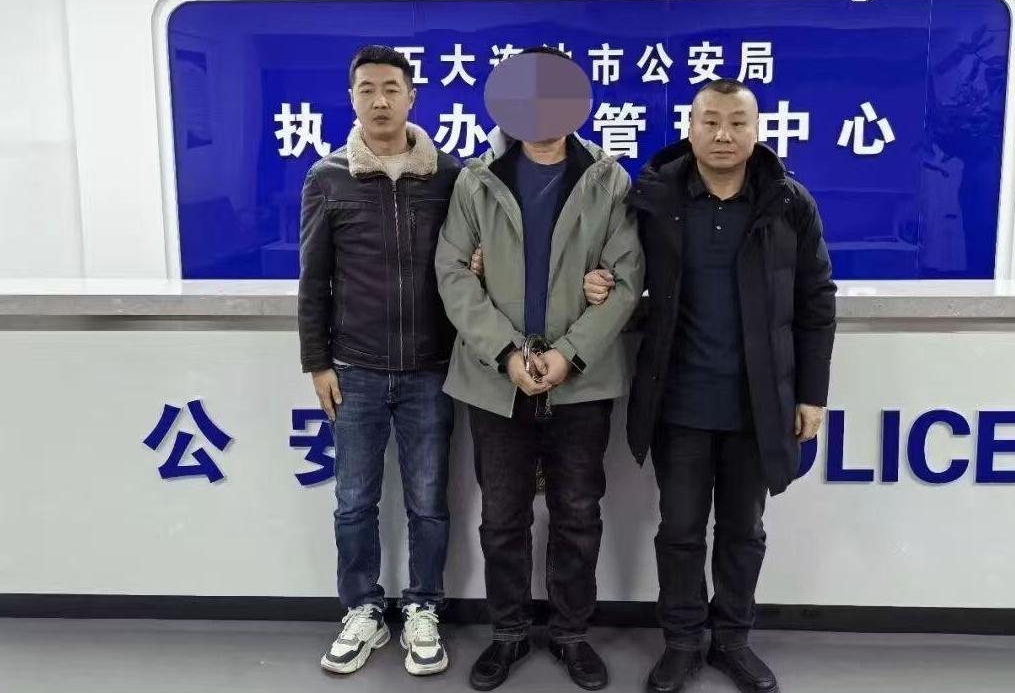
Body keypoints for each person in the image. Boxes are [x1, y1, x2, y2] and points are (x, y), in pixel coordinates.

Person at [591, 78, 836, 693]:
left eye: (737, 122)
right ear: (691, 127)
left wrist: (812, 393)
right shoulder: (654, 197)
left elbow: (816, 300)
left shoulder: (787, 202)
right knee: (679, 530)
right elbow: (610, 264)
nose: (724, 135)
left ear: (756, 130)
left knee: (743, 531)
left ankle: (732, 640)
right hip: (679, 400)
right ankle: (681, 642)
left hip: (759, 401)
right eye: (711, 122)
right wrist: (597, 281)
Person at [435, 46, 644, 692]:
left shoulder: (608, 180)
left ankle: (571, 633)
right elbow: (452, 274)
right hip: (492, 380)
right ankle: (507, 633)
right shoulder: (475, 181)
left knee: (577, 512)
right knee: (502, 517)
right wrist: (505, 353)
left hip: (581, 381)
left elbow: (627, 277)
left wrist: (567, 355)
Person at [297, 44, 460, 677]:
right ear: (352, 98)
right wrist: (318, 363)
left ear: (412, 96)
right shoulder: (328, 178)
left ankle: (424, 607)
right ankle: (362, 609)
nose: (380, 100)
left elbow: (469, 262)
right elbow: (313, 280)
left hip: (431, 369)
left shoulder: (447, 176)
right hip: (355, 369)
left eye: (391, 88)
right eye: (367, 89)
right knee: (353, 502)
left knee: (428, 502)